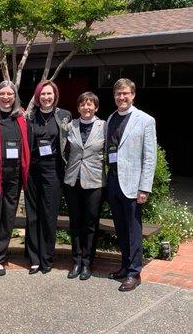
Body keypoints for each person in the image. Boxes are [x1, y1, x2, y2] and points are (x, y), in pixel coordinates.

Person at [106, 78, 157, 291]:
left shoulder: (145, 120)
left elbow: (150, 156)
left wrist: (144, 187)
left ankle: (134, 273)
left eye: (126, 93)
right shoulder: (110, 118)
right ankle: (125, 266)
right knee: (120, 228)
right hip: (113, 181)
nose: (122, 97)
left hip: (133, 185)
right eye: (118, 94)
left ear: (133, 95)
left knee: (133, 229)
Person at [0, 81, 30, 276]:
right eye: (2, 93)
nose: (6, 97)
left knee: (8, 217)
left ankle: (0, 258)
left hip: (14, 176)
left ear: (15, 96)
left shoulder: (21, 117)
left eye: (10, 94)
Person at [25, 80, 71, 274]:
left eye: (49, 94)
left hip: (53, 169)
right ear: (37, 96)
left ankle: (47, 257)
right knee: (33, 214)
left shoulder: (64, 116)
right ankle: (34, 258)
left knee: (49, 215)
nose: (46, 97)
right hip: (33, 169)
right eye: (42, 94)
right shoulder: (30, 117)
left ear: (55, 95)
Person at [64, 92, 106, 280]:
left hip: (95, 181)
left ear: (96, 108)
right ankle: (77, 261)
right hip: (73, 179)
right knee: (75, 222)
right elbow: (63, 148)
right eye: (83, 104)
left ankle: (88, 262)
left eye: (90, 105)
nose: (86, 108)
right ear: (78, 107)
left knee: (90, 222)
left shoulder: (103, 126)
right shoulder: (70, 125)